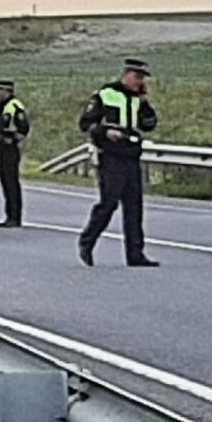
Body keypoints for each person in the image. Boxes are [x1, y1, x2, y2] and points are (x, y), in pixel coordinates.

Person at [77, 58, 160, 268]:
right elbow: (86, 124)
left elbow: (149, 125)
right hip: (111, 155)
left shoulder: (137, 99)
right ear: (126, 75)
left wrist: (144, 102)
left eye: (142, 79)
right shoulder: (105, 94)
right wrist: (106, 132)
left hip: (131, 156)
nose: (139, 82)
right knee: (109, 203)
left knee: (134, 207)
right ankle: (87, 242)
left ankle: (135, 254)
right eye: (137, 77)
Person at [0, 80, 30, 228]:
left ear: (7, 91)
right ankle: (9, 215)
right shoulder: (2, 107)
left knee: (11, 182)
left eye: (0, 91)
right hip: (3, 148)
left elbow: (23, 128)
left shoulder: (14, 106)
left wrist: (12, 139)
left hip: (10, 149)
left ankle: (15, 216)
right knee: (5, 181)